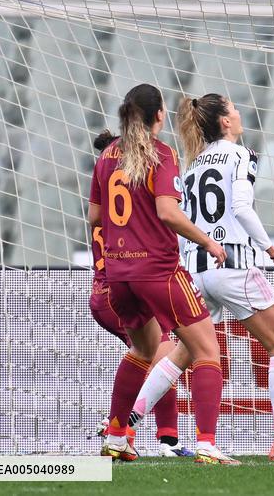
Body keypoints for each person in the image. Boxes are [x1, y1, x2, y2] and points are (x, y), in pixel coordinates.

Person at [127, 94, 274, 461]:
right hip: (233, 262)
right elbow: (240, 208)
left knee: (185, 352)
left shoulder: (192, 166)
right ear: (225, 122)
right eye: (233, 108)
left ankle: (126, 427)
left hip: (196, 270)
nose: (238, 112)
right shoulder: (241, 155)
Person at [89, 83, 237, 465]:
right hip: (158, 270)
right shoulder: (161, 154)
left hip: (118, 276)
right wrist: (208, 242)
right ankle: (206, 444)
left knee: (142, 350)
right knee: (206, 350)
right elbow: (168, 212)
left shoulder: (106, 155)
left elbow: (93, 217)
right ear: (159, 116)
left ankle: (118, 437)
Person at [88, 140, 191, 457]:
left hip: (103, 292)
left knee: (148, 355)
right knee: (165, 354)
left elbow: (94, 219)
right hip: (123, 289)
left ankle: (120, 429)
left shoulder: (111, 205)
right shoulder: (135, 210)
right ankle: (162, 440)